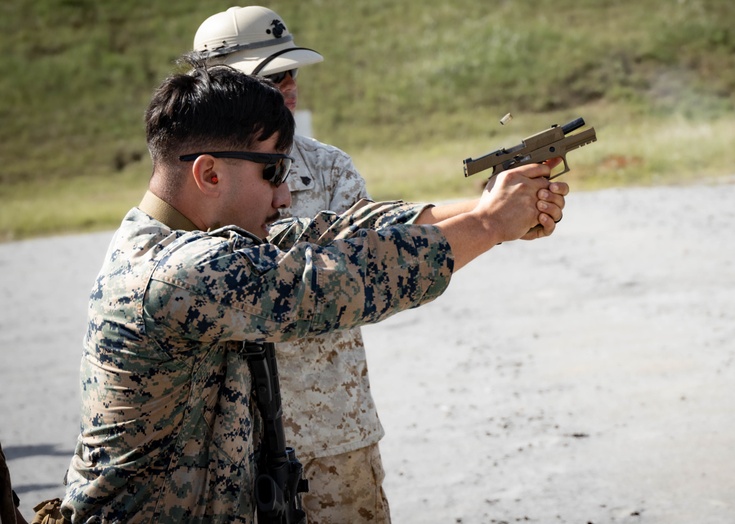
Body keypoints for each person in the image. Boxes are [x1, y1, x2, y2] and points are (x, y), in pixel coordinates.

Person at [60, 63, 568, 522]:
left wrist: (489, 208)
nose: (285, 196)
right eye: (273, 172)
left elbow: (334, 233)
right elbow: (337, 279)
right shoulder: (177, 273)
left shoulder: (183, 243)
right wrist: (491, 222)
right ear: (209, 173)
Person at [190, 6, 545, 521]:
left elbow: (379, 241)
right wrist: (489, 219)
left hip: (335, 428)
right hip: (229, 446)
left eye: (291, 71)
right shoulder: (196, 180)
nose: (288, 86)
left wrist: (496, 214)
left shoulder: (328, 165)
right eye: (270, 76)